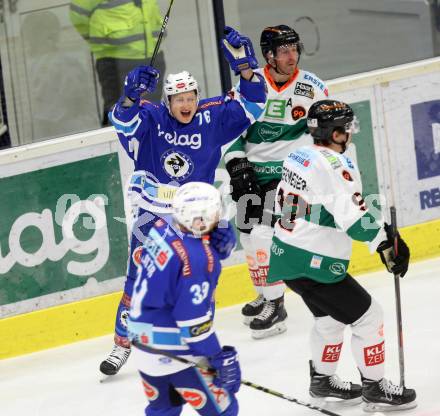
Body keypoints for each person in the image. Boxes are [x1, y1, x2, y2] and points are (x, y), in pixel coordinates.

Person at [99, 26, 266, 376]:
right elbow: (122, 121)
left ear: (196, 97)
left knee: (200, 277)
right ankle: (121, 344)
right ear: (168, 102)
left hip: (197, 216)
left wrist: (247, 71)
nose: (186, 104)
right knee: (138, 280)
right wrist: (128, 95)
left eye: (190, 97)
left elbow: (252, 104)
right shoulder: (152, 117)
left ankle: (197, 341)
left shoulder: (211, 117)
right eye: (179, 99)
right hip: (152, 213)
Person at [266, 99, 417, 411]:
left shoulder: (299, 154)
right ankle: (375, 387)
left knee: (330, 320)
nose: (350, 132)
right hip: (312, 259)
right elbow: (353, 220)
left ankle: (322, 381)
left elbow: (321, 209)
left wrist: (383, 229)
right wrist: (385, 244)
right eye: (345, 127)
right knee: (369, 316)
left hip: (285, 255)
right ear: (332, 132)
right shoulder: (336, 164)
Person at [224, 25, 329, 339]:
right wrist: (237, 164)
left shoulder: (313, 88)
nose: (292, 56)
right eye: (284, 51)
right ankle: (265, 293)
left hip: (287, 175)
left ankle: (277, 306)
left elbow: (324, 135)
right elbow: (230, 134)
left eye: (294, 49)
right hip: (252, 173)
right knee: (247, 236)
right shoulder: (249, 86)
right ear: (268, 56)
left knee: (262, 234)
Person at [127, 182, 240, 416]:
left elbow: (174, 269)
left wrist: (209, 241)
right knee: (224, 410)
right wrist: (217, 357)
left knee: (164, 409)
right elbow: (192, 323)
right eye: (214, 213)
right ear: (199, 219)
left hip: (141, 341)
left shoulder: (161, 227)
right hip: (173, 351)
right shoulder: (199, 260)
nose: (219, 217)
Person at [69, 0, 166, 126]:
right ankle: (114, 145)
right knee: (118, 113)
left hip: (153, 54)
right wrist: (102, 41)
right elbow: (77, 14)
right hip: (116, 58)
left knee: (152, 112)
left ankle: (148, 144)